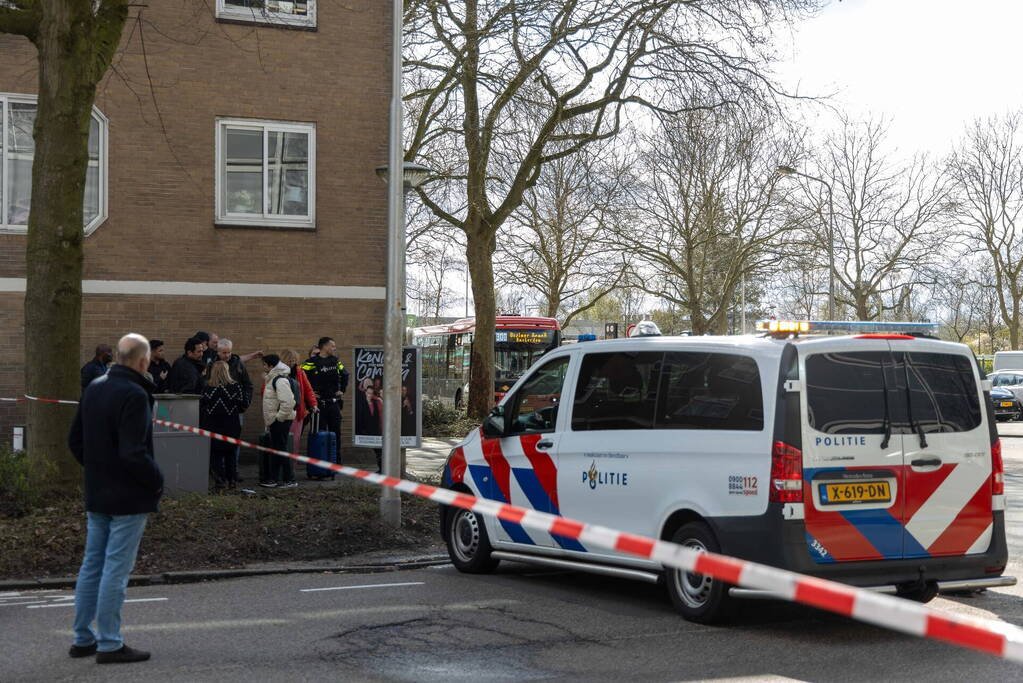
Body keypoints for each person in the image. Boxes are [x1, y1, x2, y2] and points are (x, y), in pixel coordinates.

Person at [67, 333, 162, 664]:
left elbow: (75, 440)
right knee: (115, 570)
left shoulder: (94, 388)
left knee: (92, 564)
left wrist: (97, 470)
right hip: (128, 496)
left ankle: (82, 638)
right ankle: (109, 642)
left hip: (98, 491)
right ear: (142, 361)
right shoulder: (135, 394)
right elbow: (134, 452)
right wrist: (156, 481)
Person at [301, 337, 349, 466]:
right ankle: (319, 463)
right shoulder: (311, 362)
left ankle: (336, 462)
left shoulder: (336, 361)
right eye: (332, 346)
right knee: (318, 433)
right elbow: (300, 376)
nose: (334, 348)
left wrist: (342, 390)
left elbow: (345, 374)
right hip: (318, 405)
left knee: (336, 433)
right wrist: (309, 393)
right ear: (325, 347)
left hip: (333, 403)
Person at [200, 361, 247, 491]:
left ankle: (219, 482)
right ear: (227, 372)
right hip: (231, 425)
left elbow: (202, 406)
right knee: (230, 454)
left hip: (212, 425)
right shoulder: (236, 387)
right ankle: (232, 481)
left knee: (215, 455)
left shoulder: (207, 388)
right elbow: (243, 404)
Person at [261, 353, 297, 488]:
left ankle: (290, 480)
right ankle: (273, 479)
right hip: (276, 420)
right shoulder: (272, 378)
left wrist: (279, 418)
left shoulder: (279, 380)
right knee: (277, 450)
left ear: (270, 366)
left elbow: (288, 402)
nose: (263, 367)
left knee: (281, 450)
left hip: (281, 420)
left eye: (264, 365)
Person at [280, 348, 318, 451]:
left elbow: (308, 389)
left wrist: (313, 404)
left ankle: (293, 464)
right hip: (281, 412)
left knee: (295, 440)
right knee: (282, 440)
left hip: (297, 411)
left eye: (294, 360)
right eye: (290, 360)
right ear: (283, 360)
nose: (292, 363)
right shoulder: (277, 372)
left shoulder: (299, 372)